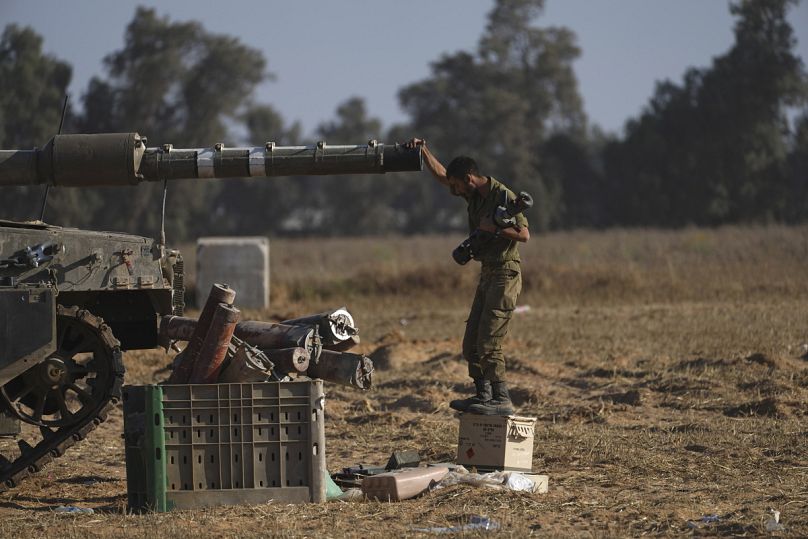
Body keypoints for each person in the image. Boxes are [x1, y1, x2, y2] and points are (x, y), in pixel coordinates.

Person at [406, 138, 529, 415]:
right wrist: (424, 150)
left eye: (456, 185)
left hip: (505, 273)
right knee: (471, 343)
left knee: (488, 342)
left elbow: (524, 235)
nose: (453, 190)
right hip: (487, 274)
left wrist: (495, 229)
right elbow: (441, 175)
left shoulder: (503, 197)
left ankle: (501, 397)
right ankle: (482, 394)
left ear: (469, 178)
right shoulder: (472, 194)